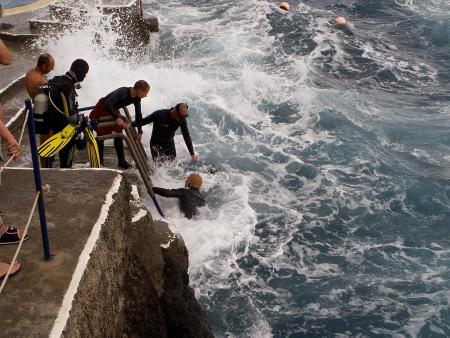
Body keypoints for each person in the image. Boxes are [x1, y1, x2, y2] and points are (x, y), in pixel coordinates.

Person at [89, 80, 150, 169]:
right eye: (145, 93)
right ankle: (99, 161)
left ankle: (122, 161)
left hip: (113, 109)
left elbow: (138, 114)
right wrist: (117, 118)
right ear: (140, 90)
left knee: (119, 132)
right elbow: (107, 103)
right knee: (101, 133)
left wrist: (140, 131)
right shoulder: (123, 92)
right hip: (102, 108)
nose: (146, 96)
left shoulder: (137, 98)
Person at [46, 59, 89, 168]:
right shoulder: (68, 87)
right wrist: (82, 121)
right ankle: (66, 169)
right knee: (66, 165)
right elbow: (72, 118)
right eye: (85, 74)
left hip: (51, 125)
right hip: (64, 131)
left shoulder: (57, 80)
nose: (85, 77)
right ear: (80, 73)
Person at [25, 53, 55, 167]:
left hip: (38, 106)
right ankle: (45, 167)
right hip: (41, 109)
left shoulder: (31, 72)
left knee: (47, 137)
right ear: (43, 65)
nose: (53, 68)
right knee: (46, 141)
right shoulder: (39, 80)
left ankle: (47, 163)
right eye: (51, 66)